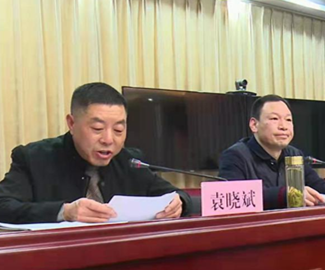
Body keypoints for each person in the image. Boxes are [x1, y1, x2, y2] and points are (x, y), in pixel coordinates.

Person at [0, 82, 191, 224]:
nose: (108, 139)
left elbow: (176, 195)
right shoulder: (34, 158)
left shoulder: (130, 161)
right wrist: (64, 212)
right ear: (72, 123)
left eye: (118, 130)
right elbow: (3, 205)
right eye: (97, 129)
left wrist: (178, 203)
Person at [219, 94, 325, 209]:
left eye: (288, 120)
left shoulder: (294, 154)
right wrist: (287, 195)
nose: (283, 126)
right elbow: (233, 197)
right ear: (254, 125)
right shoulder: (235, 156)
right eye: (274, 119)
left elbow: (319, 186)